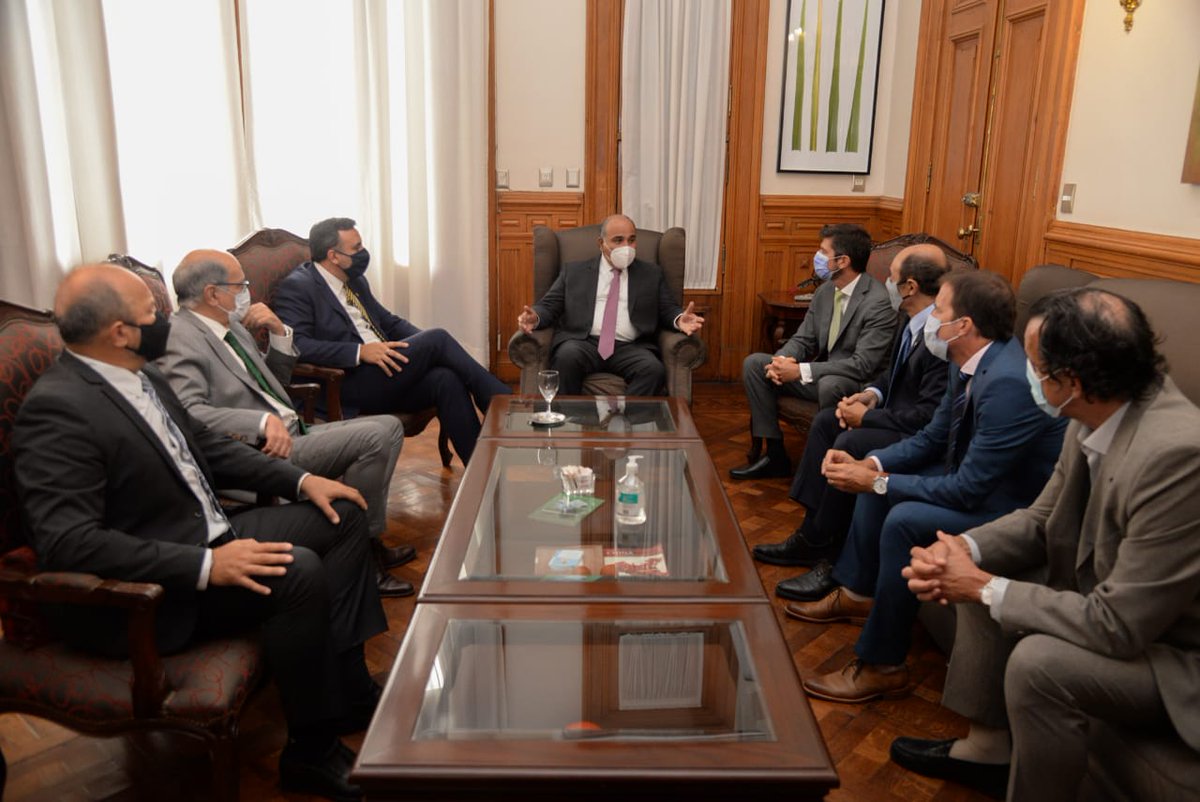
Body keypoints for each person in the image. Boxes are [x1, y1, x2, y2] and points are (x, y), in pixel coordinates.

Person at [13, 264, 386, 800]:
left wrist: (303, 480)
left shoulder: (139, 372)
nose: (164, 319)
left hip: (207, 529)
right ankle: (312, 749)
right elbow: (69, 543)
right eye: (152, 312)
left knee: (342, 514)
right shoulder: (58, 410)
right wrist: (209, 565)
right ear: (119, 332)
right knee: (297, 570)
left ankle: (345, 688)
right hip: (149, 592)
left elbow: (208, 449)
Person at [893, 288, 1200, 802]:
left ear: (1071, 382)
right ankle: (988, 750)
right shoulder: (1097, 410)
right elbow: (1041, 519)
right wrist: (965, 549)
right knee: (982, 580)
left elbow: (1119, 626)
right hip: (1106, 600)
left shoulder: (1177, 456)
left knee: (1037, 663)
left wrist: (987, 587)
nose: (1026, 374)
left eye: (1034, 365)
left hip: (1173, 652)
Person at [780, 269, 1066, 704]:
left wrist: (877, 480)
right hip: (967, 476)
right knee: (877, 493)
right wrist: (870, 463)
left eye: (940, 310)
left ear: (964, 325)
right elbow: (933, 437)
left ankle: (882, 665)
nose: (930, 317)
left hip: (1013, 503)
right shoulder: (967, 359)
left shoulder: (1007, 381)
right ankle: (859, 594)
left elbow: (970, 491)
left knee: (901, 513)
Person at [161, 249, 412, 598]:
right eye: (240, 284)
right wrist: (260, 421)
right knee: (375, 436)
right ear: (212, 294)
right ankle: (364, 557)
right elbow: (188, 412)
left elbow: (273, 385)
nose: (246, 291)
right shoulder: (180, 337)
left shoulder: (230, 325)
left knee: (388, 427)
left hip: (294, 428)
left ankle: (362, 542)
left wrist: (279, 333)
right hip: (261, 452)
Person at [754, 244, 949, 569]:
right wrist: (872, 394)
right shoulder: (911, 317)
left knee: (848, 440)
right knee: (827, 422)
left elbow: (928, 416)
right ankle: (812, 532)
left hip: (915, 431)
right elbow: (892, 373)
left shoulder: (939, 337)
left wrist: (869, 416)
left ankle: (826, 550)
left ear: (910, 287)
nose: (885, 281)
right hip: (893, 414)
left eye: (891, 277)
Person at [272, 217, 511, 464]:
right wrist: (359, 352)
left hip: (384, 369)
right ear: (333, 256)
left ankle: (482, 470)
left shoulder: (354, 280)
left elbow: (389, 322)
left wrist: (427, 347)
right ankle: (500, 402)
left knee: (446, 380)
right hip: (348, 381)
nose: (363, 253)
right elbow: (298, 345)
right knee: (438, 338)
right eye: (356, 248)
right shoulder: (299, 287)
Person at [730, 223, 895, 480]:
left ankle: (824, 463)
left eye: (822, 251)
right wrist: (780, 362)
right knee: (755, 364)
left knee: (830, 383)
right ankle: (774, 455)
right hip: (819, 374)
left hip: (853, 381)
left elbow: (862, 364)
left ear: (842, 261)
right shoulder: (825, 291)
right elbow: (804, 338)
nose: (816, 258)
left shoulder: (877, 302)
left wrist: (800, 371)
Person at [515, 214, 704, 396]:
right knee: (566, 357)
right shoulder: (574, 272)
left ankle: (623, 421)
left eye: (631, 240)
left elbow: (668, 308)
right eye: (618, 240)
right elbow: (549, 305)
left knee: (653, 370)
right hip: (584, 343)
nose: (626, 247)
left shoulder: (651, 274)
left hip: (630, 346)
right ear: (601, 244)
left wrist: (679, 319)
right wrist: (535, 317)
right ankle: (572, 422)